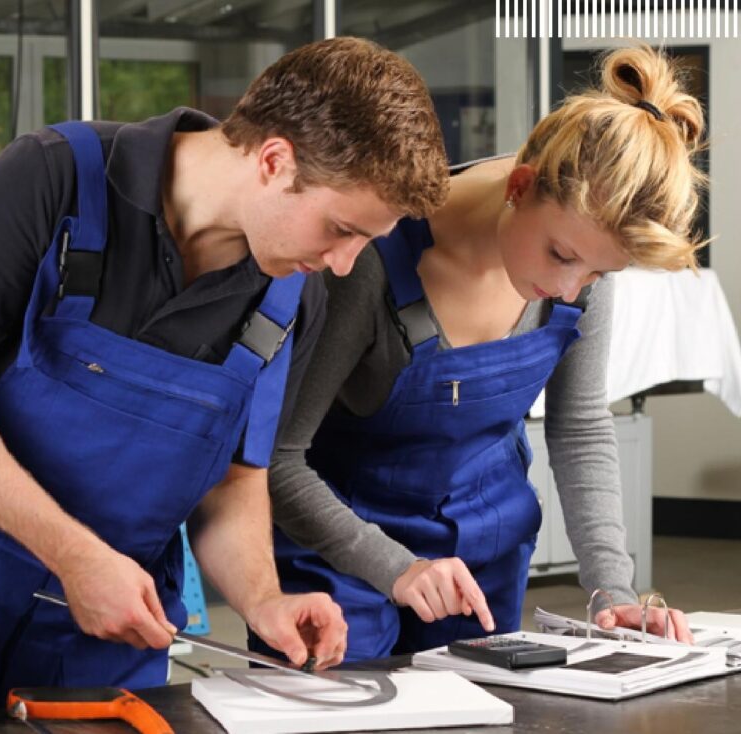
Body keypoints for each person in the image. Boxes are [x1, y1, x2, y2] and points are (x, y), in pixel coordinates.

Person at [0, 37, 449, 708]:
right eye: (341, 228)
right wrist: (74, 556)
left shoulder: (297, 296)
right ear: (274, 160)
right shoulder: (53, 178)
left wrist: (263, 599)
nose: (346, 262)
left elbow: (236, 480)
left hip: (109, 640)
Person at [256, 45, 705, 662]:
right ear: (520, 186)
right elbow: (277, 460)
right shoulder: (367, 263)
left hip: (483, 560)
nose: (571, 289)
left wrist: (612, 589)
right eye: (562, 256)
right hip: (337, 560)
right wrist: (396, 566)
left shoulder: (584, 261)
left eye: (599, 275)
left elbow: (579, 429)